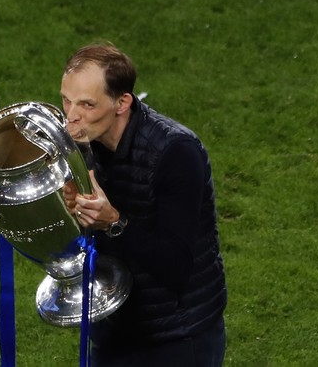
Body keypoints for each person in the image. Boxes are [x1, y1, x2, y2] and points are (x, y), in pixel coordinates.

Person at [61, 43, 227, 366]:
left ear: (122, 102)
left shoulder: (177, 154)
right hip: (113, 331)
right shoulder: (82, 146)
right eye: (66, 100)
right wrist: (71, 211)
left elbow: (176, 266)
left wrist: (113, 222)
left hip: (177, 339)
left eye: (87, 104)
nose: (71, 116)